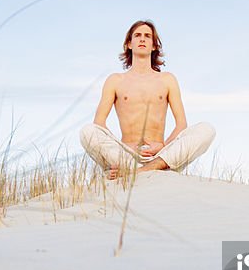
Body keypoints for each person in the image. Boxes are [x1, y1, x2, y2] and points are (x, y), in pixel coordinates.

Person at [80, 20, 215, 179]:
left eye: (147, 36)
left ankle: (140, 172)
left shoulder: (167, 79)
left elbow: (181, 124)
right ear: (129, 44)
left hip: (161, 155)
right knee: (87, 132)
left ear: (154, 46)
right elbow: (99, 124)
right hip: (126, 155)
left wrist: (163, 146)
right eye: (137, 35)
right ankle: (141, 170)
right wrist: (124, 146)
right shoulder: (115, 80)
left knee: (207, 129)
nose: (142, 39)